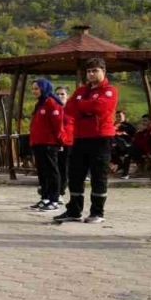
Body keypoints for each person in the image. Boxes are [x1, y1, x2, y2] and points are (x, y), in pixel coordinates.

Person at [54, 59, 117, 224]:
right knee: (75, 175)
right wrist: (86, 108)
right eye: (88, 71)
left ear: (103, 71)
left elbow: (99, 108)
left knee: (98, 176)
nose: (91, 74)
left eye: (94, 70)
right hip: (80, 138)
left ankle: (97, 212)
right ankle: (74, 211)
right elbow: (69, 109)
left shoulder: (110, 90)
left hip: (100, 138)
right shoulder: (81, 90)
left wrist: (81, 106)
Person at [28, 78, 63, 211]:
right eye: (33, 89)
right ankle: (45, 198)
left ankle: (54, 199)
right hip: (38, 142)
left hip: (49, 143)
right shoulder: (40, 104)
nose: (34, 91)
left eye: (37, 88)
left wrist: (59, 141)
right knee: (42, 172)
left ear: (44, 88)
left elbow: (57, 125)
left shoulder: (51, 103)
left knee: (52, 171)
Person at [55, 85, 73, 197]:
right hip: (53, 142)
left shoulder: (72, 109)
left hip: (68, 142)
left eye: (62, 94)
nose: (59, 96)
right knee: (54, 167)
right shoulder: (52, 108)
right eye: (57, 94)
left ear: (67, 96)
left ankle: (60, 192)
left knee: (63, 167)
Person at [112, 110, 137, 177]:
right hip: (115, 146)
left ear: (124, 116)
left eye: (120, 116)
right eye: (116, 116)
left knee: (128, 153)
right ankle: (120, 165)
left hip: (126, 145)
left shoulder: (129, 126)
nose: (118, 118)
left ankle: (125, 173)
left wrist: (125, 135)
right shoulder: (113, 125)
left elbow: (134, 136)